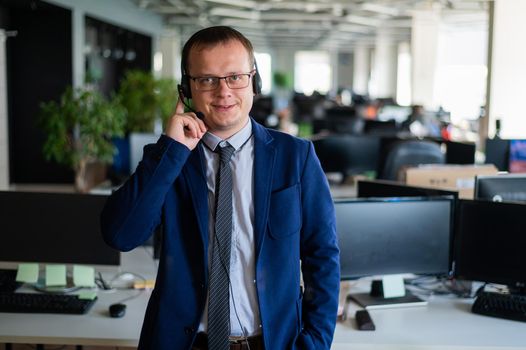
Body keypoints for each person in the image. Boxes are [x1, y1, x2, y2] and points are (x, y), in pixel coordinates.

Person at [101, 26, 339, 350]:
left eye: (235, 77)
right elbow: (120, 234)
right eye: (207, 79)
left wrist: (315, 343)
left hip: (272, 343)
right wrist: (172, 151)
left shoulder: (296, 157)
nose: (224, 91)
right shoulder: (170, 159)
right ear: (186, 90)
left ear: (254, 82)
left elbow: (322, 257)